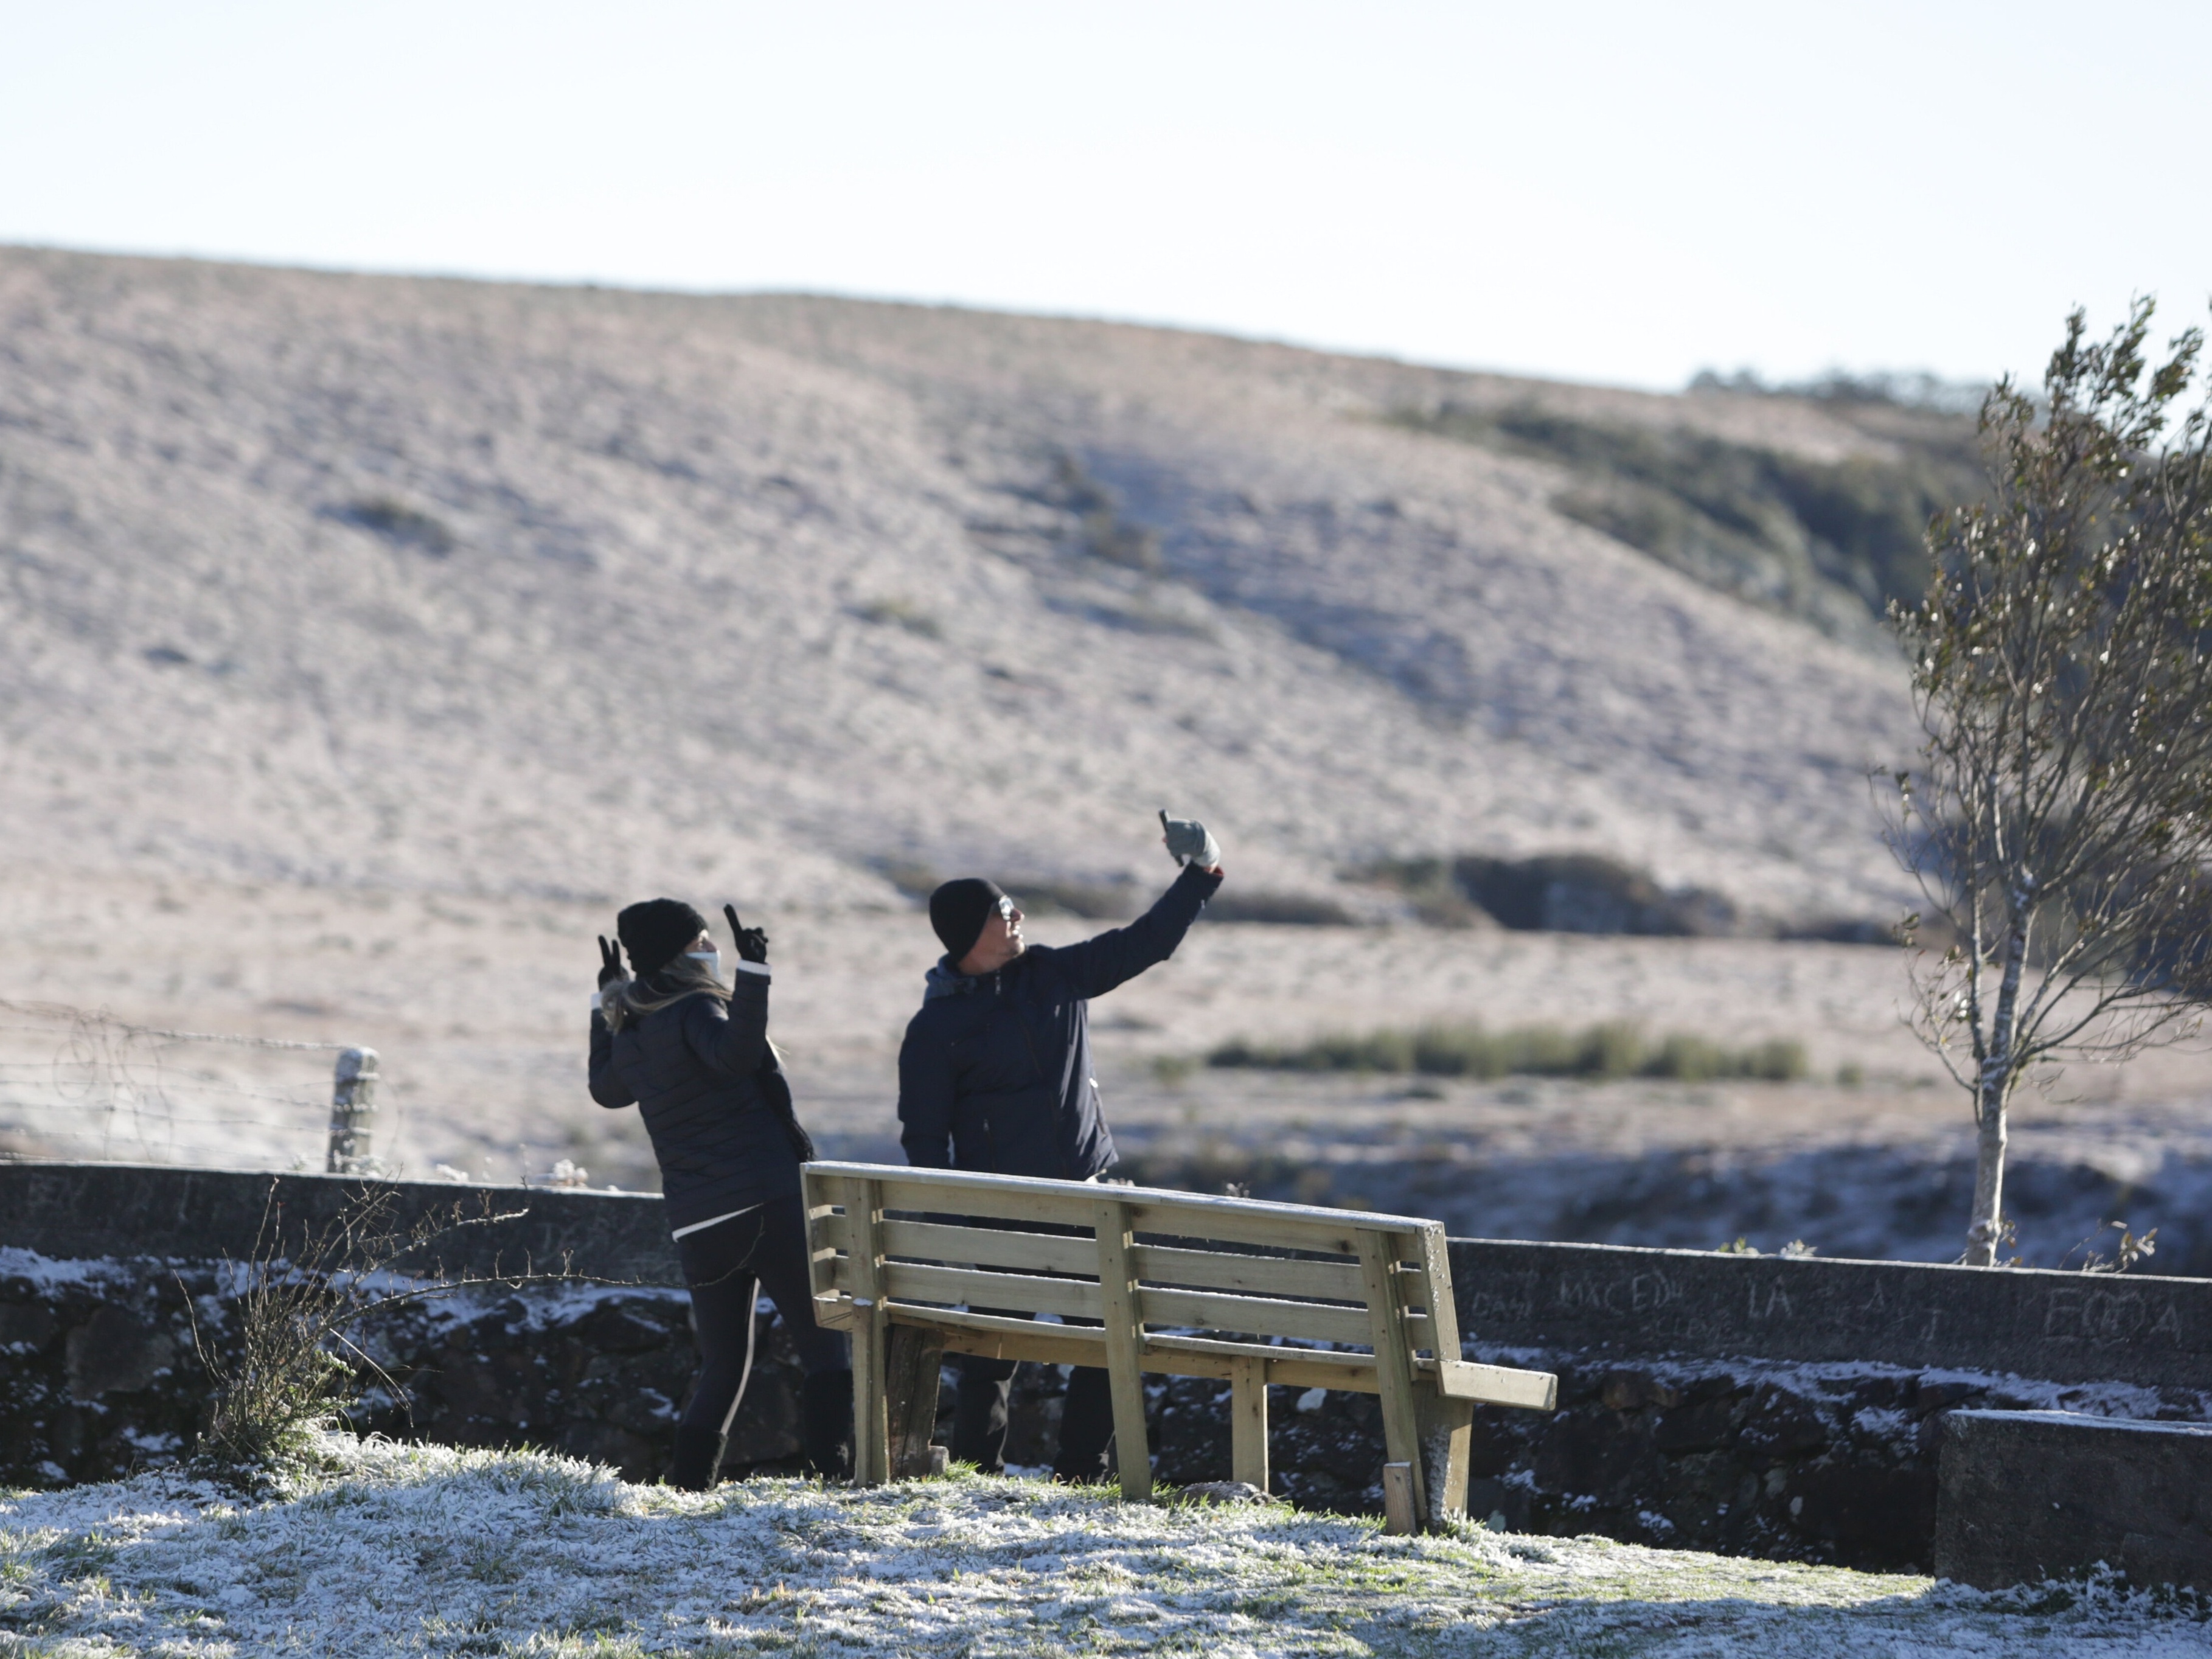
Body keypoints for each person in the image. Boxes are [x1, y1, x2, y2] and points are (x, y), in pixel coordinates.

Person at [896, 810, 1225, 1481]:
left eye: (1014, 906)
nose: (1017, 917)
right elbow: (924, 1138)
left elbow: (1143, 944)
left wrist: (1200, 874)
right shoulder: (935, 1029)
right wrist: (949, 1225)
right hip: (1001, 1209)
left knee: (1108, 1339)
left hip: (1087, 1196)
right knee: (989, 1353)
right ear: (969, 934)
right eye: (1002, 910)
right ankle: (974, 1472)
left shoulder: (1051, 975)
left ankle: (1082, 1471)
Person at [588, 897, 850, 1489]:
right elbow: (736, 1057)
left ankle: (688, 1488)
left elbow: (605, 1089)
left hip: (698, 1226)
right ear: (684, 952)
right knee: (824, 1347)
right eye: (704, 939)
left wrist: (604, 998)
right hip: (766, 1204)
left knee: (724, 1365)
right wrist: (754, 975)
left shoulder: (633, 1030)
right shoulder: (697, 1007)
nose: (713, 947)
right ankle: (833, 1477)